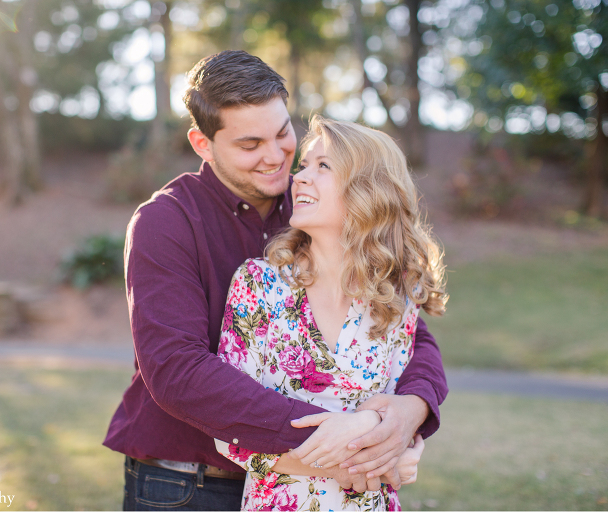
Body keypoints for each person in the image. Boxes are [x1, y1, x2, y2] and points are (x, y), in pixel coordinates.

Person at [104, 50, 448, 511]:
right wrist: (348, 445)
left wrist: (409, 413)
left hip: (319, 485)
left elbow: (406, 330)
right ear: (203, 144)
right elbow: (175, 369)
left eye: (284, 133)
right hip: (187, 484)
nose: (276, 157)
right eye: (250, 145)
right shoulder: (166, 221)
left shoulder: (316, 203)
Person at [214, 115, 447, 511]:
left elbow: (398, 424)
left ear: (368, 190)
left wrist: (391, 442)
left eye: (323, 166)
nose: (300, 177)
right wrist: (359, 458)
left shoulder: (395, 297)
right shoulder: (258, 286)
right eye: (303, 165)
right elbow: (228, 434)